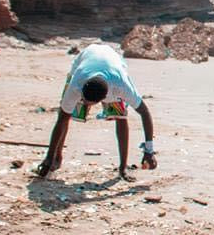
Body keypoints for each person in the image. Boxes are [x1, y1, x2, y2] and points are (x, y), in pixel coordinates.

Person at [37, 44, 157, 180]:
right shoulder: (77, 84)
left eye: (88, 104)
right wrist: (49, 156)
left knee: (120, 116)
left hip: (113, 62)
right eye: (83, 100)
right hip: (86, 57)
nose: (85, 105)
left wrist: (149, 150)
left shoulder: (122, 87)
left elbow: (145, 113)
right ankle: (56, 157)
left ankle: (123, 167)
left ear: (103, 101)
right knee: (67, 114)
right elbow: (62, 119)